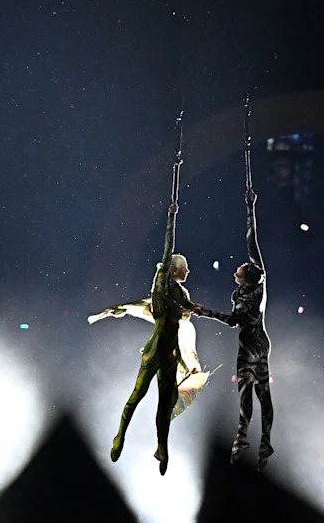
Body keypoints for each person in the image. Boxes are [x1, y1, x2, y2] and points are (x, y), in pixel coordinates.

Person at [110, 201, 199, 475]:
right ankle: (120, 435)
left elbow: (193, 308)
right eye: (184, 268)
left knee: (166, 403)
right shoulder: (162, 282)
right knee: (137, 394)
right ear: (173, 270)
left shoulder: (181, 294)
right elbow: (167, 248)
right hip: (156, 350)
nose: (187, 272)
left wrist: (222, 316)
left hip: (170, 354)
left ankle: (162, 446)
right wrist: (172, 217)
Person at [193, 188, 273, 469]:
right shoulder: (260, 282)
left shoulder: (247, 297)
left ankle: (242, 437)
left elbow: (232, 321)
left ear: (244, 279)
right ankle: (264, 439)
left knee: (246, 391)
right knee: (263, 392)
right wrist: (250, 208)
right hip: (261, 341)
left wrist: (204, 312)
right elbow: (253, 245)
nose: (235, 273)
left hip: (249, 344)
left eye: (238, 272)